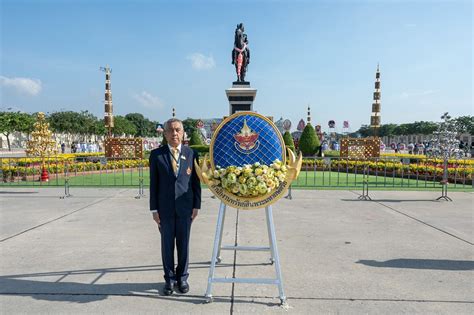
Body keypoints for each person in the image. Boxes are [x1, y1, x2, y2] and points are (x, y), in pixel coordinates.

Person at [149, 118, 201, 296]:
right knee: (167, 246)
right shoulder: (157, 155)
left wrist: (197, 206)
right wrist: (154, 210)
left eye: (178, 130)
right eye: (170, 130)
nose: (174, 133)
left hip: (186, 209)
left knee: (184, 245)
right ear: (164, 133)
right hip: (164, 210)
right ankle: (169, 280)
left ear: (183, 132)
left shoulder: (191, 153)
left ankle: (183, 278)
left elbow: (196, 183)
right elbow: (153, 184)